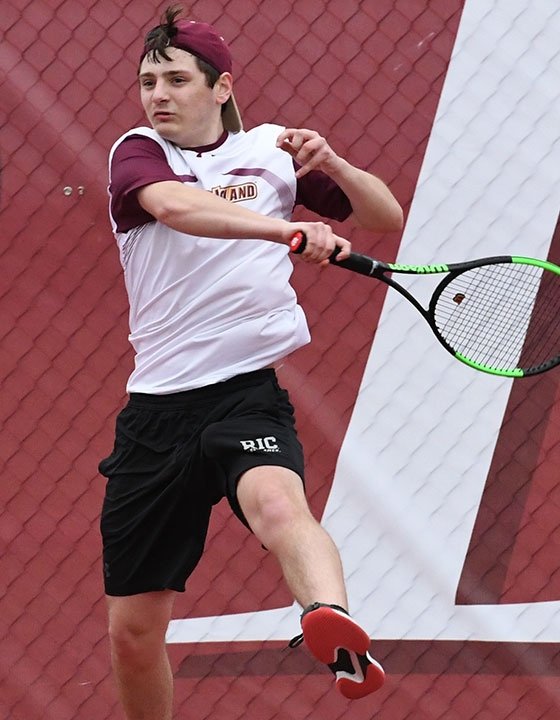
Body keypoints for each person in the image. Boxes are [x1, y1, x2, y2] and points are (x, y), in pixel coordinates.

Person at [99, 5, 403, 719]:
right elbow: (177, 209)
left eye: (175, 79)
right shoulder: (138, 152)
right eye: (148, 81)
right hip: (158, 412)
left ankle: (333, 624)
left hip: (245, 395)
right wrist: (286, 232)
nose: (158, 95)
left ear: (222, 87)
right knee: (133, 633)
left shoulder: (272, 150)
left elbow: (383, 216)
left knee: (278, 502)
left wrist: (331, 166)